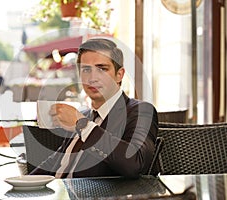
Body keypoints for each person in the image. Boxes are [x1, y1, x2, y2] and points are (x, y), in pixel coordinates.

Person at [30, 38, 159, 179]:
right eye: (86, 69)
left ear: (119, 74)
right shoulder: (83, 114)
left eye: (102, 69)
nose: (92, 78)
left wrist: (82, 125)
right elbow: (56, 162)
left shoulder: (140, 111)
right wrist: (22, 184)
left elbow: (135, 164)